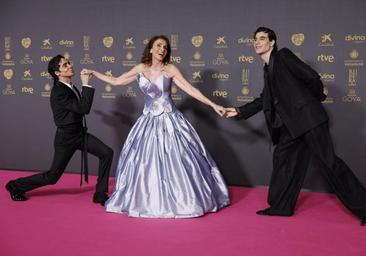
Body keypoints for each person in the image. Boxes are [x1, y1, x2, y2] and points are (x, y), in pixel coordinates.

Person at [226, 27, 366, 225]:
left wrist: (310, 103)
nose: (257, 42)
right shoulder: (267, 68)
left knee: (330, 164)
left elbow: (311, 77)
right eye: (255, 39)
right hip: (290, 126)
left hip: (309, 120)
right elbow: (264, 99)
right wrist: (239, 111)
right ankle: (281, 207)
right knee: (283, 160)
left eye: (262, 38)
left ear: (272, 42)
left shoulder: (283, 56)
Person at [82, 35, 230, 218]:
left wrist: (213, 105)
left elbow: (191, 90)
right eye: (158, 46)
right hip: (148, 121)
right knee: (144, 164)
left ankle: (184, 201)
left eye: (165, 47)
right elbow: (117, 81)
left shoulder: (170, 69)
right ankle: (145, 201)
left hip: (170, 121)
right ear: (150, 49)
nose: (162, 49)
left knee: (179, 161)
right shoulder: (140, 68)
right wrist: (95, 73)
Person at [5, 55, 113, 206]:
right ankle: (15, 186)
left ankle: (100, 193)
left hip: (79, 134)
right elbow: (83, 108)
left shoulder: (70, 86)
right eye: (65, 65)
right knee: (52, 177)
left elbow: (79, 108)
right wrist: (86, 84)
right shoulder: (58, 91)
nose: (69, 66)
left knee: (106, 153)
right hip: (66, 138)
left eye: (69, 63)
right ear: (57, 73)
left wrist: (84, 87)